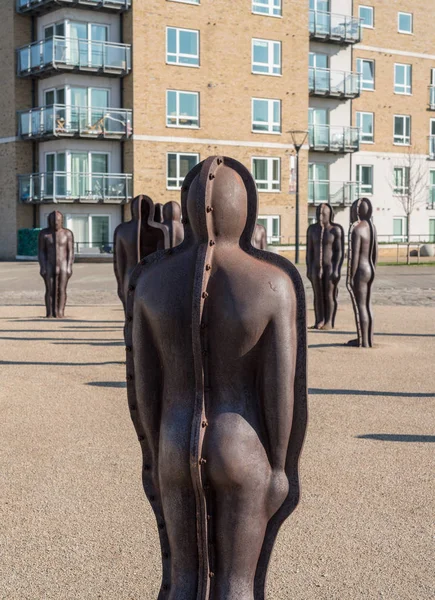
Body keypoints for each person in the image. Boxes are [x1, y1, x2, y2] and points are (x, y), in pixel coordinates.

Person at [124, 157, 307, 600]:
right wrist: (280, 466)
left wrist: (153, 450)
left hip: (174, 438)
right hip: (241, 445)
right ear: (245, 207)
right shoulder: (272, 283)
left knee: (183, 582)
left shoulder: (150, 281)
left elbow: (144, 386)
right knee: (237, 585)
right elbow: (281, 391)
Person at [113, 195, 168, 312]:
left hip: (130, 274)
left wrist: (120, 284)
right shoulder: (159, 231)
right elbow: (163, 260)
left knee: (130, 312)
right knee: (147, 311)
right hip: (150, 275)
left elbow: (119, 263)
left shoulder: (122, 230)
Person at [306, 203, 344, 329]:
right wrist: (309, 268)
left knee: (329, 295)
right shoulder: (312, 230)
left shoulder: (335, 230)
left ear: (330, 215)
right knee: (318, 295)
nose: (320, 217)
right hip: (316, 268)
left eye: (323, 214)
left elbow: (339, 251)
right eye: (318, 214)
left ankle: (329, 321)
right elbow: (309, 251)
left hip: (330, 268)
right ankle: (319, 320)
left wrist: (337, 269)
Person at [346, 197, 377, 348]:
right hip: (370, 269)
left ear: (356, 211)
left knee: (361, 306)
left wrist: (350, 278)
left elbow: (354, 257)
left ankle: (363, 341)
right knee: (367, 304)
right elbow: (375, 253)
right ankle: (368, 339)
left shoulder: (357, 230)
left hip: (360, 271)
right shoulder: (372, 227)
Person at [38, 210, 74, 319]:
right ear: (49, 221)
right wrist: (43, 266)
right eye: (53, 221)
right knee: (49, 289)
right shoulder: (44, 234)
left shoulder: (67, 233)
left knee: (62, 289)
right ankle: (50, 312)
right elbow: (41, 251)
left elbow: (71, 252)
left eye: (58, 221)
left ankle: (60, 312)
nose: (56, 223)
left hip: (63, 265)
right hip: (49, 264)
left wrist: (69, 267)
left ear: (62, 221)